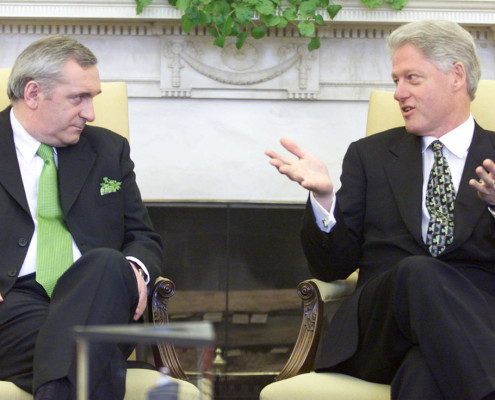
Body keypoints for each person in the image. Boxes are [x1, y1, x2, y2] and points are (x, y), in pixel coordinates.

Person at [266, 20, 495, 400]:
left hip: (476, 325)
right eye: (395, 80)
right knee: (418, 271)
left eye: (412, 78)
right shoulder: (369, 155)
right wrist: (325, 200)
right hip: (379, 329)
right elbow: (331, 268)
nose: (398, 93)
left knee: (423, 377)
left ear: (456, 76)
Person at [0, 36, 163, 399]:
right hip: (13, 303)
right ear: (32, 94)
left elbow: (143, 237)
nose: (90, 114)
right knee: (88, 349)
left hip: (100, 293)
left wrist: (134, 268)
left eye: (94, 99)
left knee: (107, 263)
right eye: (79, 98)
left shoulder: (108, 149)